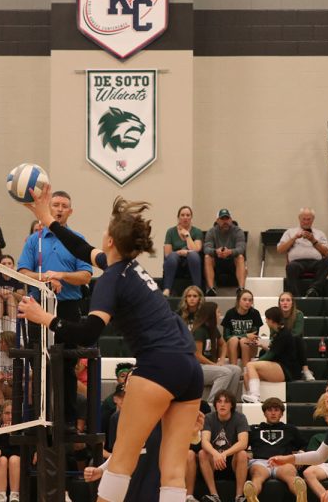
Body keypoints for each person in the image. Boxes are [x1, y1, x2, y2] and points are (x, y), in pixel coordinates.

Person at [17, 186, 204, 502]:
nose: (101, 235)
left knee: (121, 463)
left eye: (105, 231)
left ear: (111, 241)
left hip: (158, 367)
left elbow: (88, 332)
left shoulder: (111, 279)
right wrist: (47, 217)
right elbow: (80, 247)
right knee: (172, 470)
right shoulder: (132, 268)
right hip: (190, 369)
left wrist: (44, 318)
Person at [17, 190, 92, 427]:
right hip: (37, 307)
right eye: (55, 205)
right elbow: (22, 273)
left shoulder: (77, 240)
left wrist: (61, 275)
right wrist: (45, 280)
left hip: (68, 307)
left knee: (67, 364)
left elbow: (85, 276)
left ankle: (67, 421)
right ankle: (40, 419)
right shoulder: (35, 239)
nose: (59, 209)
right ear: (48, 209)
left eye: (64, 206)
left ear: (70, 211)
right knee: (39, 365)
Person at [241, 397, 307, 502]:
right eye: (269, 410)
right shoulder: (254, 429)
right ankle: (252, 495)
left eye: (276, 410)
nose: (273, 413)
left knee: (290, 474)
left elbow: (304, 445)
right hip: (261, 462)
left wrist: (300, 454)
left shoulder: (290, 429)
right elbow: (242, 445)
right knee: (257, 475)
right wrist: (244, 453)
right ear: (264, 413)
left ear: (281, 413)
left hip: (283, 461)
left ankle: (300, 495)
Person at [242, 307, 304, 404]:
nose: (266, 321)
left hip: (287, 370)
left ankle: (255, 396)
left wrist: (253, 363)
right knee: (247, 375)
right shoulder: (279, 333)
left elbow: (271, 355)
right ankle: (251, 398)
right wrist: (262, 345)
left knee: (250, 366)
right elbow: (276, 350)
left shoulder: (284, 334)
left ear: (271, 320)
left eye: (267, 319)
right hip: (280, 366)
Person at [198, 390, 249, 502]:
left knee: (242, 453)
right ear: (215, 404)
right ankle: (214, 495)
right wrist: (216, 454)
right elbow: (204, 441)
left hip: (231, 461)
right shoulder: (208, 418)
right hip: (214, 461)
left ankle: (239, 496)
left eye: (226, 402)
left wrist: (224, 454)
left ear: (231, 405)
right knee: (202, 453)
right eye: (219, 401)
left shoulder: (240, 417)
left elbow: (243, 443)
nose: (222, 404)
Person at [192, 301, 243, 405]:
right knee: (225, 372)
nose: (220, 314)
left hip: (210, 366)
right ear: (211, 314)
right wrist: (215, 365)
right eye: (218, 312)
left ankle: (229, 402)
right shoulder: (199, 331)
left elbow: (223, 344)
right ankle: (213, 404)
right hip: (197, 368)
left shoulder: (213, 329)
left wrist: (222, 360)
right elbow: (197, 356)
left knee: (236, 369)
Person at [276, 207, 328, 298]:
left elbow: (326, 253)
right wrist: (294, 238)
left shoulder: (320, 233)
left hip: (315, 263)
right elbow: (280, 250)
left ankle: (314, 290)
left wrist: (313, 240)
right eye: (304, 219)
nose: (306, 222)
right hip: (297, 264)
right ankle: (295, 297)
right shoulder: (290, 232)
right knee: (291, 267)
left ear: (313, 220)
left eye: (309, 219)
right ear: (299, 218)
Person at [301, 395, 328, 499]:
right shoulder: (318, 437)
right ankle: (326, 499)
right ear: (325, 419)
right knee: (308, 472)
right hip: (324, 465)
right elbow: (313, 459)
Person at [162, 205, 205, 297]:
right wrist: (179, 252)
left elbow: (196, 249)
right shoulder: (170, 231)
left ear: (191, 217)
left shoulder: (197, 232)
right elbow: (167, 253)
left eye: (188, 215)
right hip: (175, 260)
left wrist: (187, 235)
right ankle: (167, 289)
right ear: (178, 218)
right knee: (172, 256)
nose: (185, 217)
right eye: (182, 215)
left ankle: (197, 289)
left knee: (193, 255)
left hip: (192, 261)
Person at [203, 208, 247, 296]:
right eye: (222, 219)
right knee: (207, 257)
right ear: (217, 221)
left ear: (231, 220)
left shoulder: (238, 231)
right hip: (217, 261)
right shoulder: (211, 232)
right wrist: (216, 252)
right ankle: (211, 289)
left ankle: (241, 289)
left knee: (240, 257)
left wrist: (230, 252)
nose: (225, 221)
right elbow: (206, 249)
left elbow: (241, 248)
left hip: (232, 261)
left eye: (227, 219)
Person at [275, 292, 316, 382]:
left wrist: (283, 336)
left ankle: (305, 370)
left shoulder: (298, 314)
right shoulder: (276, 315)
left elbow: (297, 332)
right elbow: (273, 334)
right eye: (282, 300)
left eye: (288, 300)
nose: (285, 303)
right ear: (279, 303)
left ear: (292, 303)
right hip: (281, 344)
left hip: (294, 344)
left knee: (298, 340)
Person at [0, 401, 22, 502]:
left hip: (15, 463)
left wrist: (11, 435)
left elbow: (20, 451)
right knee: (2, 460)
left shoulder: (22, 426)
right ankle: (1, 497)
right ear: (1, 415)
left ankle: (14, 496)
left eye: (13, 413)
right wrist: (5, 436)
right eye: (7, 413)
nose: (10, 416)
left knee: (14, 459)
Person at [221, 289, 263, 369]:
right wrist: (245, 335)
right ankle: (234, 369)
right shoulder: (230, 313)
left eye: (250, 300)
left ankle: (246, 370)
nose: (247, 302)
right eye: (244, 299)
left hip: (249, 347)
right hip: (233, 346)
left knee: (244, 340)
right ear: (238, 300)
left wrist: (244, 337)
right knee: (234, 339)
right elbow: (226, 336)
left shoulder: (255, 313)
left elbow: (254, 336)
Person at [0, 255, 25, 333]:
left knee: (11, 297)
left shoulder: (17, 277)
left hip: (13, 306)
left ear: (13, 266)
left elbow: (21, 297)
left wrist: (10, 292)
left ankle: (13, 329)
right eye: (4, 263)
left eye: (9, 263)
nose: (6, 266)